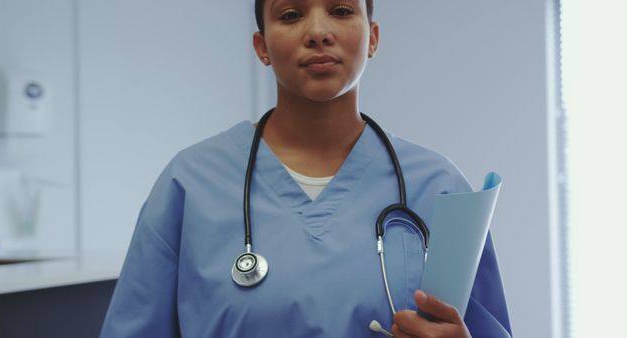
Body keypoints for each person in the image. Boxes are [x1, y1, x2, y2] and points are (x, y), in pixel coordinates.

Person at [100, 0, 512, 337]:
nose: (318, 32)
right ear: (261, 47)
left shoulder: (439, 186)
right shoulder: (189, 185)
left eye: (341, 10)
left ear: (373, 38)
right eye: (291, 14)